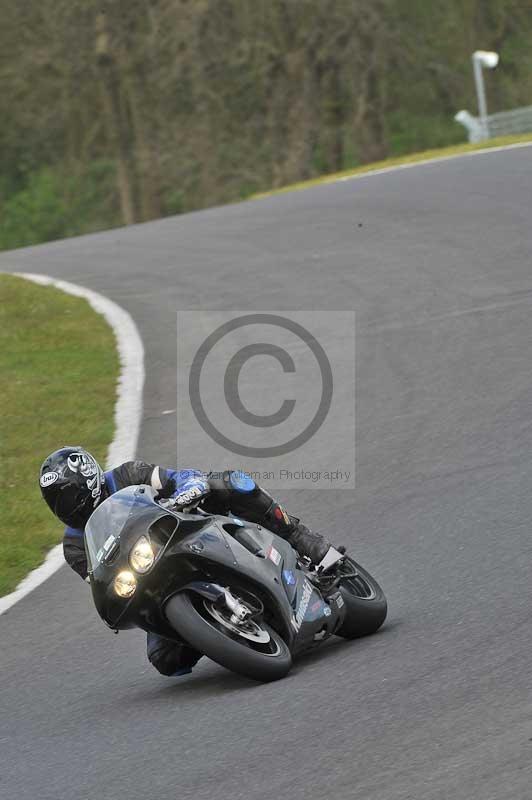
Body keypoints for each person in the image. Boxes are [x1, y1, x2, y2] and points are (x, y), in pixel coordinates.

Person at [39, 446, 331, 677]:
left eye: (65, 498)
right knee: (164, 660)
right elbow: (101, 579)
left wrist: (188, 487)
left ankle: (298, 536)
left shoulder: (128, 474)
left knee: (232, 483)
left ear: (87, 481)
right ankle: (223, 631)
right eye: (55, 504)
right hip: (147, 577)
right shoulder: (74, 546)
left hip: (186, 527)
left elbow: (175, 477)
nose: (62, 509)